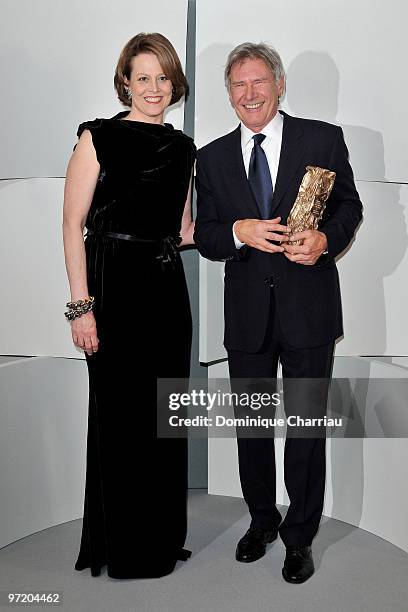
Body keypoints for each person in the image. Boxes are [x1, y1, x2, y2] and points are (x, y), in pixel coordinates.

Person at [194, 42, 362, 584]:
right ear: (229, 94)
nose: (249, 93)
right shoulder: (211, 157)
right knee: (252, 427)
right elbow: (210, 235)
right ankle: (262, 521)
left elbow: (349, 207)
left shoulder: (322, 139)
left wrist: (324, 240)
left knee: (307, 428)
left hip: (309, 312)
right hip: (246, 318)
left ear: (280, 84)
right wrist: (241, 231)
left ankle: (300, 536)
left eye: (259, 81)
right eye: (238, 85)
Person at [62, 32, 196, 579]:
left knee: (165, 419)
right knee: (121, 419)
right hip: (112, 288)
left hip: (165, 291)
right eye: (143, 77)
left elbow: (184, 230)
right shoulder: (97, 137)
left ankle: (161, 540)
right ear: (126, 82)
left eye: (163, 77)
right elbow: (72, 226)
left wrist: (249, 231)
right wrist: (81, 308)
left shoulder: (184, 148)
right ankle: (122, 547)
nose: (154, 88)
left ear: (174, 84)